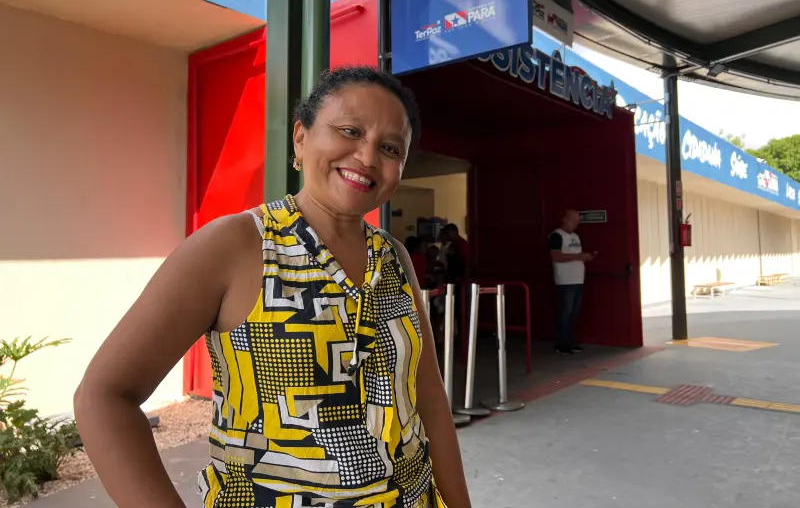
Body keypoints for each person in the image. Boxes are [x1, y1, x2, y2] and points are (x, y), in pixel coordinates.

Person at [73, 67, 472, 508]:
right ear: (300, 138)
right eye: (350, 131)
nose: (367, 155)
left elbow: (428, 399)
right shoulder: (237, 245)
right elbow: (104, 397)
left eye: (390, 147)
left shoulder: (393, 258)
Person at [547, 209, 597, 355]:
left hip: (578, 279)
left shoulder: (575, 236)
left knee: (573, 313)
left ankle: (569, 341)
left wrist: (586, 257)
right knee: (565, 312)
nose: (575, 224)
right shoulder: (556, 236)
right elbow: (556, 256)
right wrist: (579, 257)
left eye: (577, 222)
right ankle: (561, 344)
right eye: (573, 221)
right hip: (565, 281)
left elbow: (576, 255)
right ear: (564, 219)